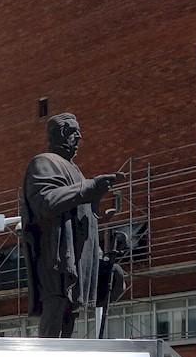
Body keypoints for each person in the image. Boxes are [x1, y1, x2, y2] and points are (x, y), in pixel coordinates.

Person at [22, 113, 126, 338]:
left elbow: (79, 208)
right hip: (56, 252)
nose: (79, 137)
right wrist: (90, 188)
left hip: (80, 253)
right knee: (58, 304)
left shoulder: (76, 171)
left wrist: (97, 214)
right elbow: (46, 201)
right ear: (58, 134)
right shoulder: (44, 163)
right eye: (72, 132)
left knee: (77, 304)